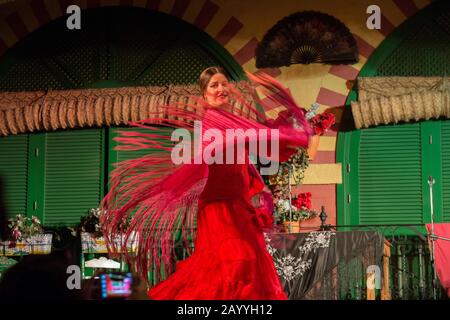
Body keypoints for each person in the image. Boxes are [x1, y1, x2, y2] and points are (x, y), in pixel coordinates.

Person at [100, 67, 312, 299]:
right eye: (214, 85)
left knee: (244, 263)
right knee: (234, 264)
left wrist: (289, 136)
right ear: (204, 94)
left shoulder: (233, 121)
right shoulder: (213, 119)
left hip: (236, 203)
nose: (221, 89)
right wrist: (290, 134)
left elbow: (261, 144)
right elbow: (255, 137)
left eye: (223, 83)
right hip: (220, 207)